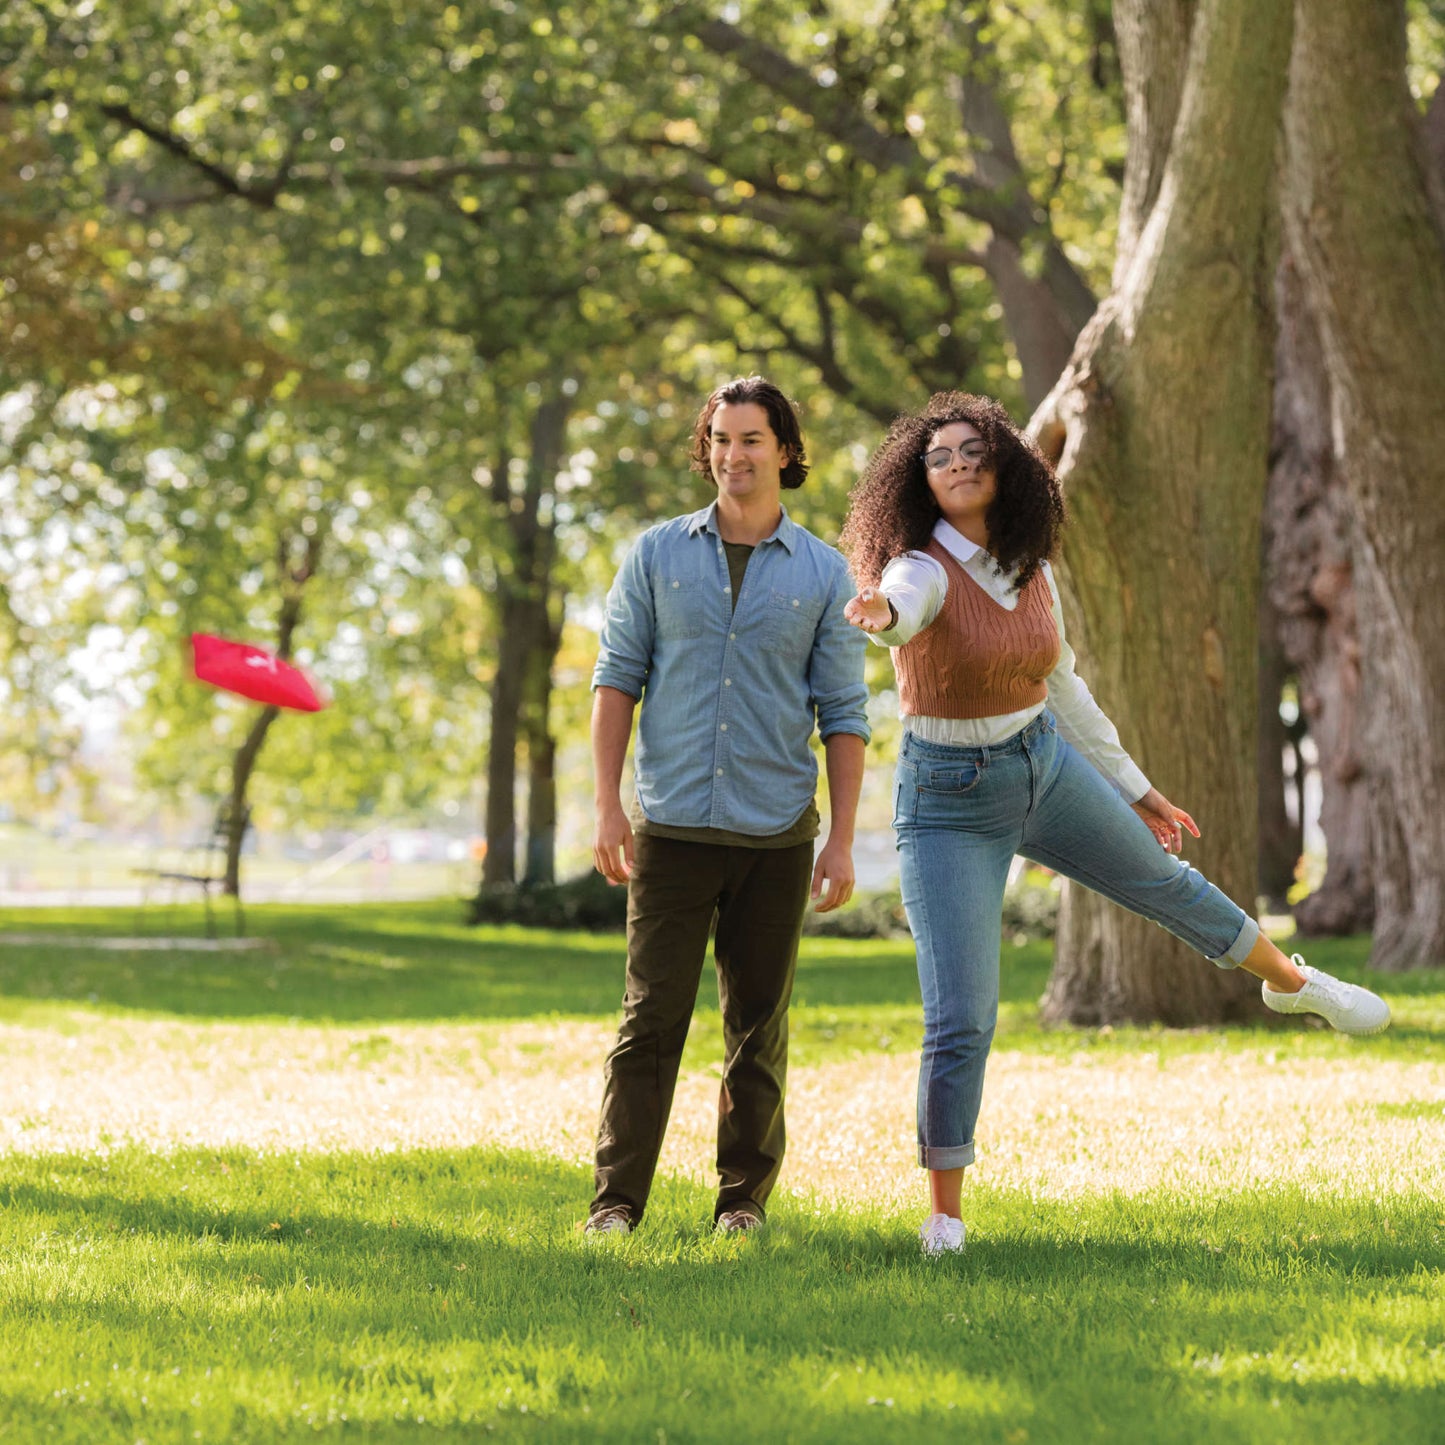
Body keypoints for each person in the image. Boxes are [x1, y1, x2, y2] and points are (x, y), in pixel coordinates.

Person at [838, 391, 1390, 1256]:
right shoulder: (918, 567)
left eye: (970, 449)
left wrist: (1132, 786)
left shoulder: (1028, 565)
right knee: (962, 1015)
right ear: (919, 480)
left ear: (1004, 466)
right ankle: (943, 1212)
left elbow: (1064, 686)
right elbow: (900, 606)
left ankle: (1291, 982)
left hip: (1042, 763)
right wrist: (881, 617)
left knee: (1163, 881)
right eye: (937, 455)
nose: (954, 463)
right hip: (946, 798)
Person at [585, 375, 870, 1237]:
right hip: (670, 828)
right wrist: (607, 805)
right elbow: (615, 680)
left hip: (776, 834)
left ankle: (740, 1202)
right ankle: (614, 1206)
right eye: (719, 439)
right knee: (649, 1021)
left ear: (784, 451)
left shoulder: (825, 573)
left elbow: (844, 717)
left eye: (749, 440)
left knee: (757, 1028)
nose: (731, 456)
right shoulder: (656, 555)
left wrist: (843, 842)